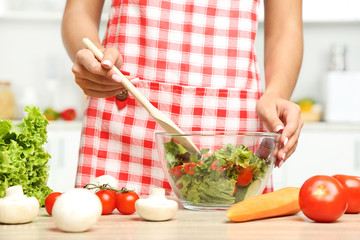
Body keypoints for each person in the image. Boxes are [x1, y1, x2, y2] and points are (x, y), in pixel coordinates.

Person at [62, 0, 303, 195]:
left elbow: (285, 27)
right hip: (122, 123)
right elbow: (79, 9)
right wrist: (93, 55)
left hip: (230, 129)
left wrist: (276, 94)